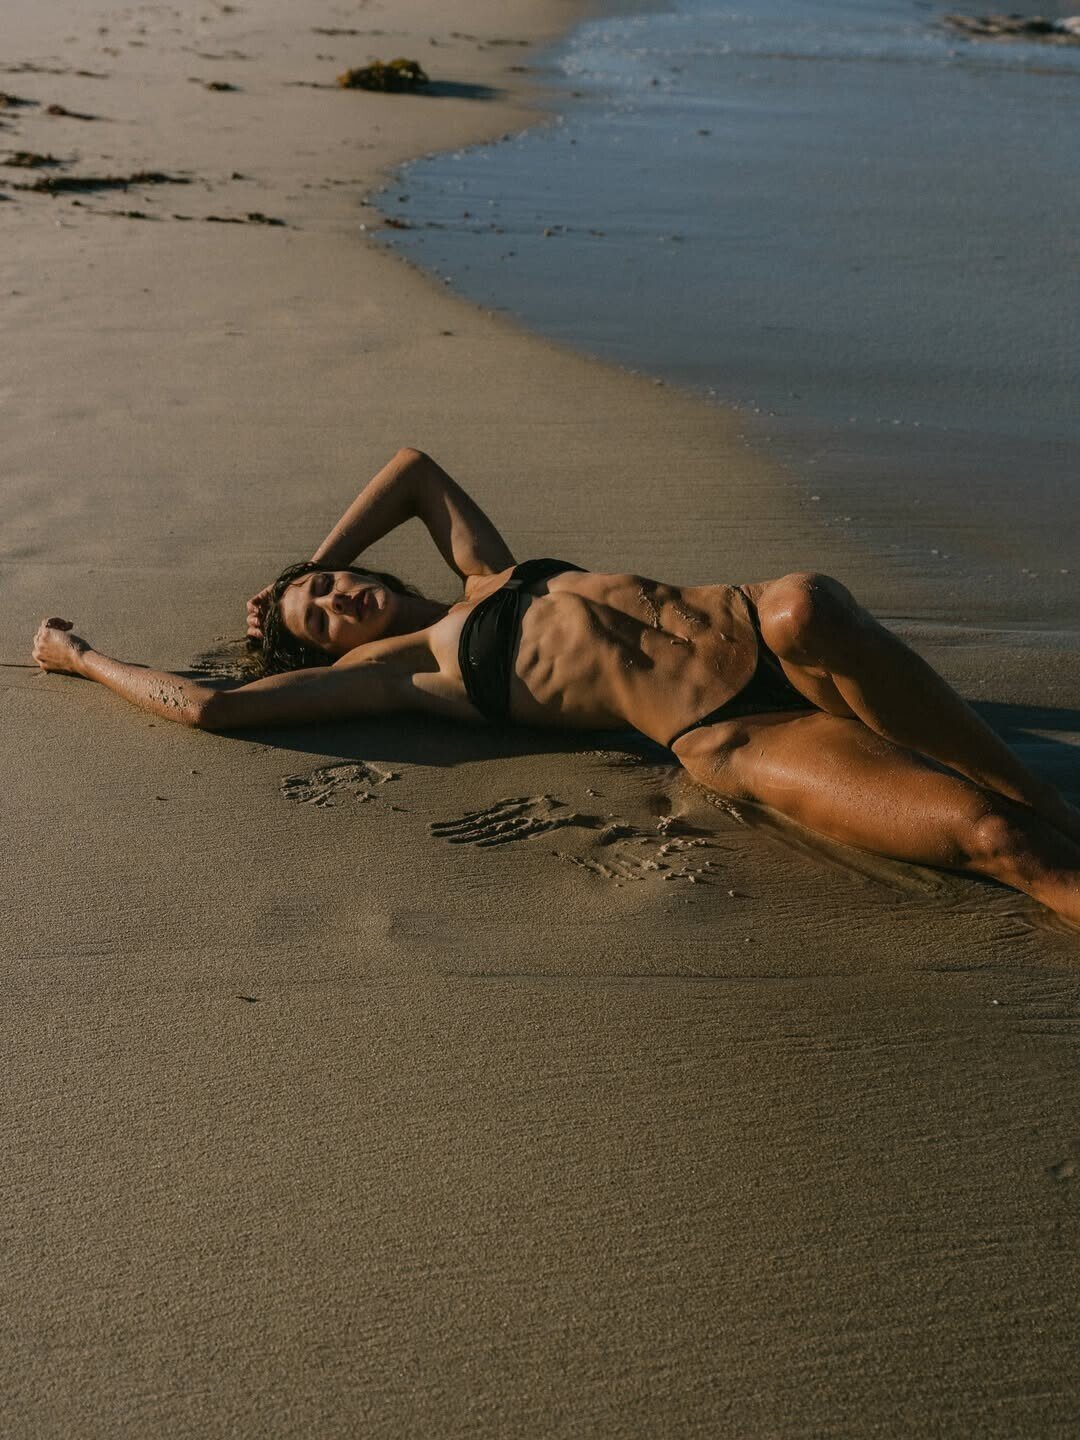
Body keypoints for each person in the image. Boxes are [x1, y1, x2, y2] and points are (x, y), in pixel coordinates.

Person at [32, 446, 1080, 923]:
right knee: (1000, 843)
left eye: (336, 583)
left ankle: (1047, 796)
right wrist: (81, 659)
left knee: (808, 601)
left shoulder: (489, 571)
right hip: (736, 727)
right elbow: (214, 706)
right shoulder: (410, 671)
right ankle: (1038, 825)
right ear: (325, 653)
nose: (338, 596)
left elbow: (410, 469)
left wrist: (292, 570)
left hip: (770, 630)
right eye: (317, 616)